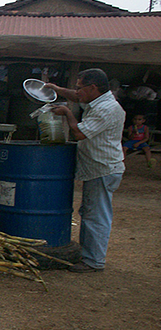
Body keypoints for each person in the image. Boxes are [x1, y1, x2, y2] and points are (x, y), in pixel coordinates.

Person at [45, 68, 126, 273]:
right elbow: (75, 96)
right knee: (91, 212)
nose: (77, 92)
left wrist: (67, 113)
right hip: (99, 167)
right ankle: (89, 255)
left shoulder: (106, 109)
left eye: (80, 88)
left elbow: (79, 133)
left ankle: (93, 261)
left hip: (103, 168)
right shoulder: (97, 99)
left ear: (93, 88)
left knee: (95, 215)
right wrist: (56, 89)